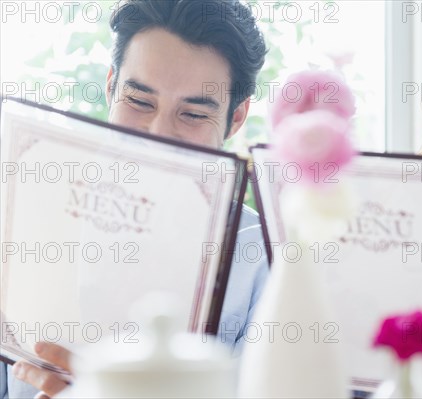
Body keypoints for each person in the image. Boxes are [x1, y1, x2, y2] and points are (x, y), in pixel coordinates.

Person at [0, 0, 269, 397]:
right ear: (111, 87)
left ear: (236, 118)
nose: (157, 133)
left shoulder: (262, 255)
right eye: (140, 102)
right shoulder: (25, 212)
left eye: (193, 114)